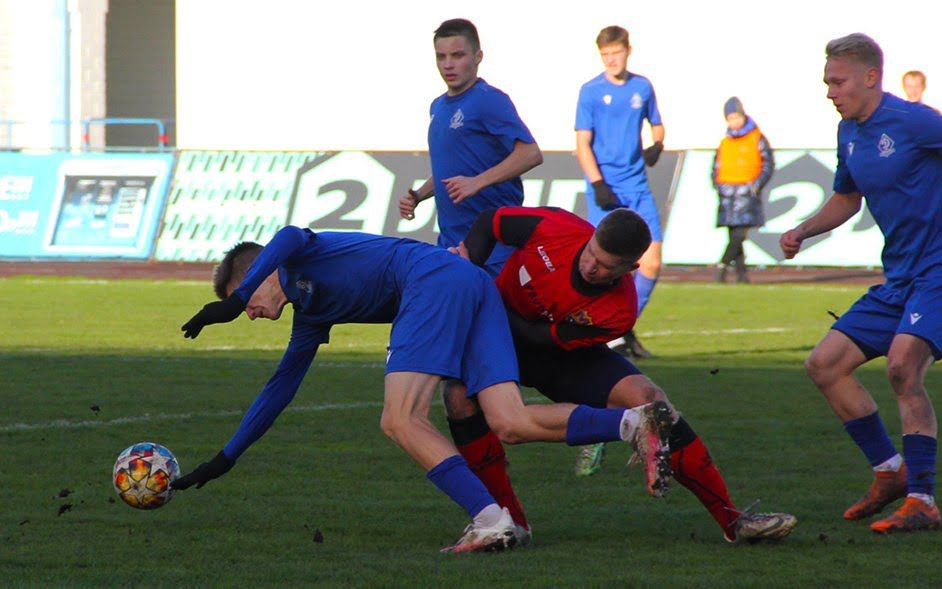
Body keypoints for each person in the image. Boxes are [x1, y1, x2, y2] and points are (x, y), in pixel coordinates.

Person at [169, 226, 673, 553]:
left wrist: (233, 300)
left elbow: (286, 236)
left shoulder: (299, 254)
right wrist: (226, 457)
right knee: (510, 422)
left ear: (255, 276)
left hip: (431, 281)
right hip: (470, 285)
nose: (251, 313)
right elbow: (280, 388)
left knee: (400, 419)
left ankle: (489, 518)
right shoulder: (310, 315)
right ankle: (633, 422)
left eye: (248, 300)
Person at [780, 33, 942, 534]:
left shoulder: (916, 121)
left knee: (902, 365)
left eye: (838, 82)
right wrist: (803, 230)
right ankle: (891, 473)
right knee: (825, 365)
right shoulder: (847, 132)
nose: (830, 92)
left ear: (871, 77)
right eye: (827, 82)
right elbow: (847, 199)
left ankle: (923, 500)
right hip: (899, 280)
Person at [443, 205, 797, 544]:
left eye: (605, 266)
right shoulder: (555, 227)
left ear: (630, 268)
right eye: (591, 254)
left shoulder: (619, 311)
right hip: (496, 333)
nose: (591, 267)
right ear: (593, 234)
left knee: (650, 400)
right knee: (458, 398)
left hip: (551, 349)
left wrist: (487, 297)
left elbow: (538, 338)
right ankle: (512, 522)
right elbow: (491, 221)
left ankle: (733, 520)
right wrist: (470, 269)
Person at [400, 18, 542, 276]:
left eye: (457, 55)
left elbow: (530, 153)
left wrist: (476, 182)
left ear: (478, 56)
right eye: (441, 56)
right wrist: (419, 195)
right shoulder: (438, 106)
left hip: (494, 244)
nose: (448, 64)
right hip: (452, 242)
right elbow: (452, 166)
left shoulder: (489, 100)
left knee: (491, 314)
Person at [575, 25, 665, 361]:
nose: (612, 60)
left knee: (652, 262)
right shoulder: (591, 91)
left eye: (616, 52)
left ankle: (621, 327)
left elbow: (657, 123)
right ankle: (609, 334)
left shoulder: (642, 86)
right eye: (605, 55)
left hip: (637, 185)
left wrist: (658, 144)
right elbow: (582, 142)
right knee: (604, 265)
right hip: (607, 189)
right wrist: (597, 183)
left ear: (628, 50)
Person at [711, 96, 774, 283]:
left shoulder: (757, 138)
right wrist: (718, 185)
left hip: (747, 193)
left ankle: (722, 264)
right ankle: (741, 275)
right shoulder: (725, 142)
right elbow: (715, 167)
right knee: (733, 235)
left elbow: (767, 164)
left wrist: (756, 184)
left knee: (740, 234)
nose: (735, 122)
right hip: (727, 193)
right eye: (730, 118)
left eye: (737, 117)